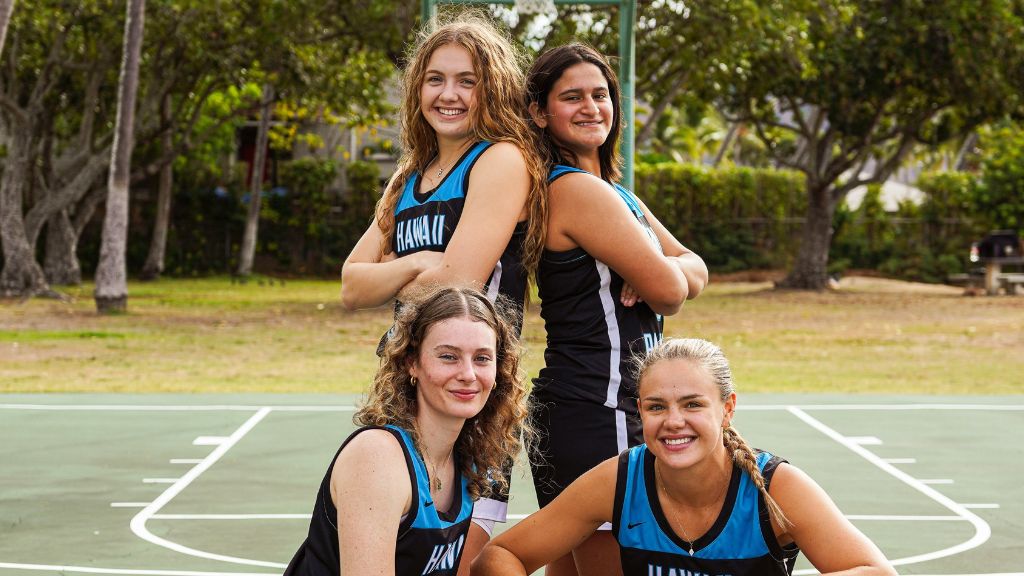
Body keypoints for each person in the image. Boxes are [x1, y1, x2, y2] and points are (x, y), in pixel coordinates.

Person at [339, 13, 547, 564]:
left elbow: (458, 282)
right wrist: (419, 266)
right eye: (435, 78)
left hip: (476, 387)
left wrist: (400, 268)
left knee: (455, 561)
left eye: (467, 80)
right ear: (417, 87)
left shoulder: (501, 160)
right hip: (408, 378)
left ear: (493, 86)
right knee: (396, 548)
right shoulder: (410, 175)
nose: (448, 94)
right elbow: (349, 285)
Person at [473, 338, 898, 576]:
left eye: (693, 405)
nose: (674, 421)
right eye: (657, 407)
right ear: (640, 412)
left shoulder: (774, 487)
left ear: (727, 408)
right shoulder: (621, 480)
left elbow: (877, 573)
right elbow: (499, 557)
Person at [523, 43, 709, 575]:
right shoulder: (578, 192)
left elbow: (694, 267)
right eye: (572, 97)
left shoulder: (615, 193)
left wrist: (657, 267)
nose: (591, 107)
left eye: (600, 95)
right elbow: (673, 291)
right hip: (599, 409)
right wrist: (659, 270)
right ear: (540, 112)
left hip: (581, 407)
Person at [285, 287, 533, 576]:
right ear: (411, 363)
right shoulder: (377, 458)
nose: (468, 374)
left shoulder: (467, 459)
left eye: (481, 358)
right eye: (448, 357)